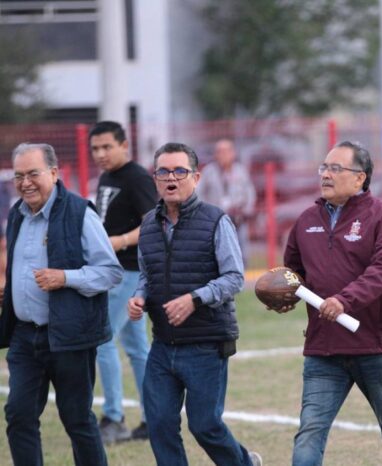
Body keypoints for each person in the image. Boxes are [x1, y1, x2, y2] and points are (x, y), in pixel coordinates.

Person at [280, 140, 382, 466]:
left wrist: (344, 300)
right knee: (309, 433)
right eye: (323, 168)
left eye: (335, 168)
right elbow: (292, 273)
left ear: (360, 178)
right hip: (323, 349)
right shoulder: (305, 220)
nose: (326, 175)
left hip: (376, 345)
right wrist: (282, 294)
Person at [127, 142, 262, 466]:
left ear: (196, 177)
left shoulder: (216, 221)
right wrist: (140, 297)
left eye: (179, 171)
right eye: (163, 171)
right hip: (162, 343)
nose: (171, 178)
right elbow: (147, 275)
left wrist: (195, 299)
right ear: (155, 178)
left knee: (205, 426)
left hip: (206, 342)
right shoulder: (147, 225)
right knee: (159, 424)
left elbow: (234, 278)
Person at [0, 143, 123, 466]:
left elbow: (110, 272)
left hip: (71, 336)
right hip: (25, 338)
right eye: (19, 176)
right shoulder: (16, 214)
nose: (25, 182)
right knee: (19, 415)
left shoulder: (80, 212)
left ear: (54, 174)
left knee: (77, 420)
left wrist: (65, 278)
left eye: (33, 174)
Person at [90, 121, 156, 444]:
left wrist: (120, 242)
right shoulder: (106, 177)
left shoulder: (138, 177)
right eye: (95, 149)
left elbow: (153, 225)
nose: (100, 154)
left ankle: (113, 418)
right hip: (111, 270)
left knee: (102, 339)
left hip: (128, 271)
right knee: (136, 347)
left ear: (124, 145)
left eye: (106, 147)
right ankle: (151, 419)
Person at [197, 138, 256, 264]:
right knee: (217, 251)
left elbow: (250, 192)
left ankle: (241, 277)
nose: (223, 154)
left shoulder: (240, 170)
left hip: (238, 218)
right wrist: (207, 212)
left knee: (242, 251)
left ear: (233, 153)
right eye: (220, 151)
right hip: (216, 219)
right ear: (215, 154)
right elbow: (199, 193)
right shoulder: (209, 171)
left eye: (227, 151)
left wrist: (247, 210)